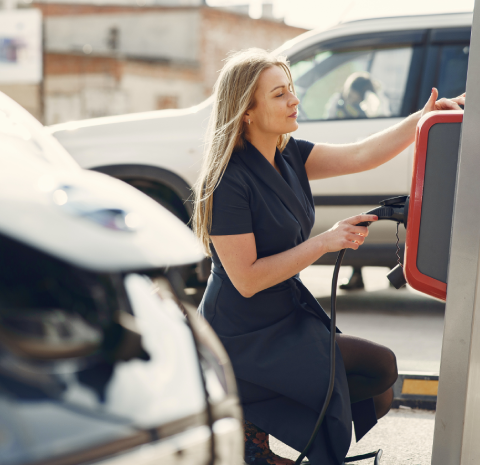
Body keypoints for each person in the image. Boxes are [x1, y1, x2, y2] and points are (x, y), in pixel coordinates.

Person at [193, 49, 464, 465]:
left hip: (283, 315)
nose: (294, 101)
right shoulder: (228, 178)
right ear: (246, 110)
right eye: (280, 94)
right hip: (242, 332)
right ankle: (248, 423)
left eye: (292, 91)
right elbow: (245, 279)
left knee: (378, 389)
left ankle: (251, 434)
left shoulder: (290, 155)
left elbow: (361, 155)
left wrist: (423, 120)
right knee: (379, 367)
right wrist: (326, 241)